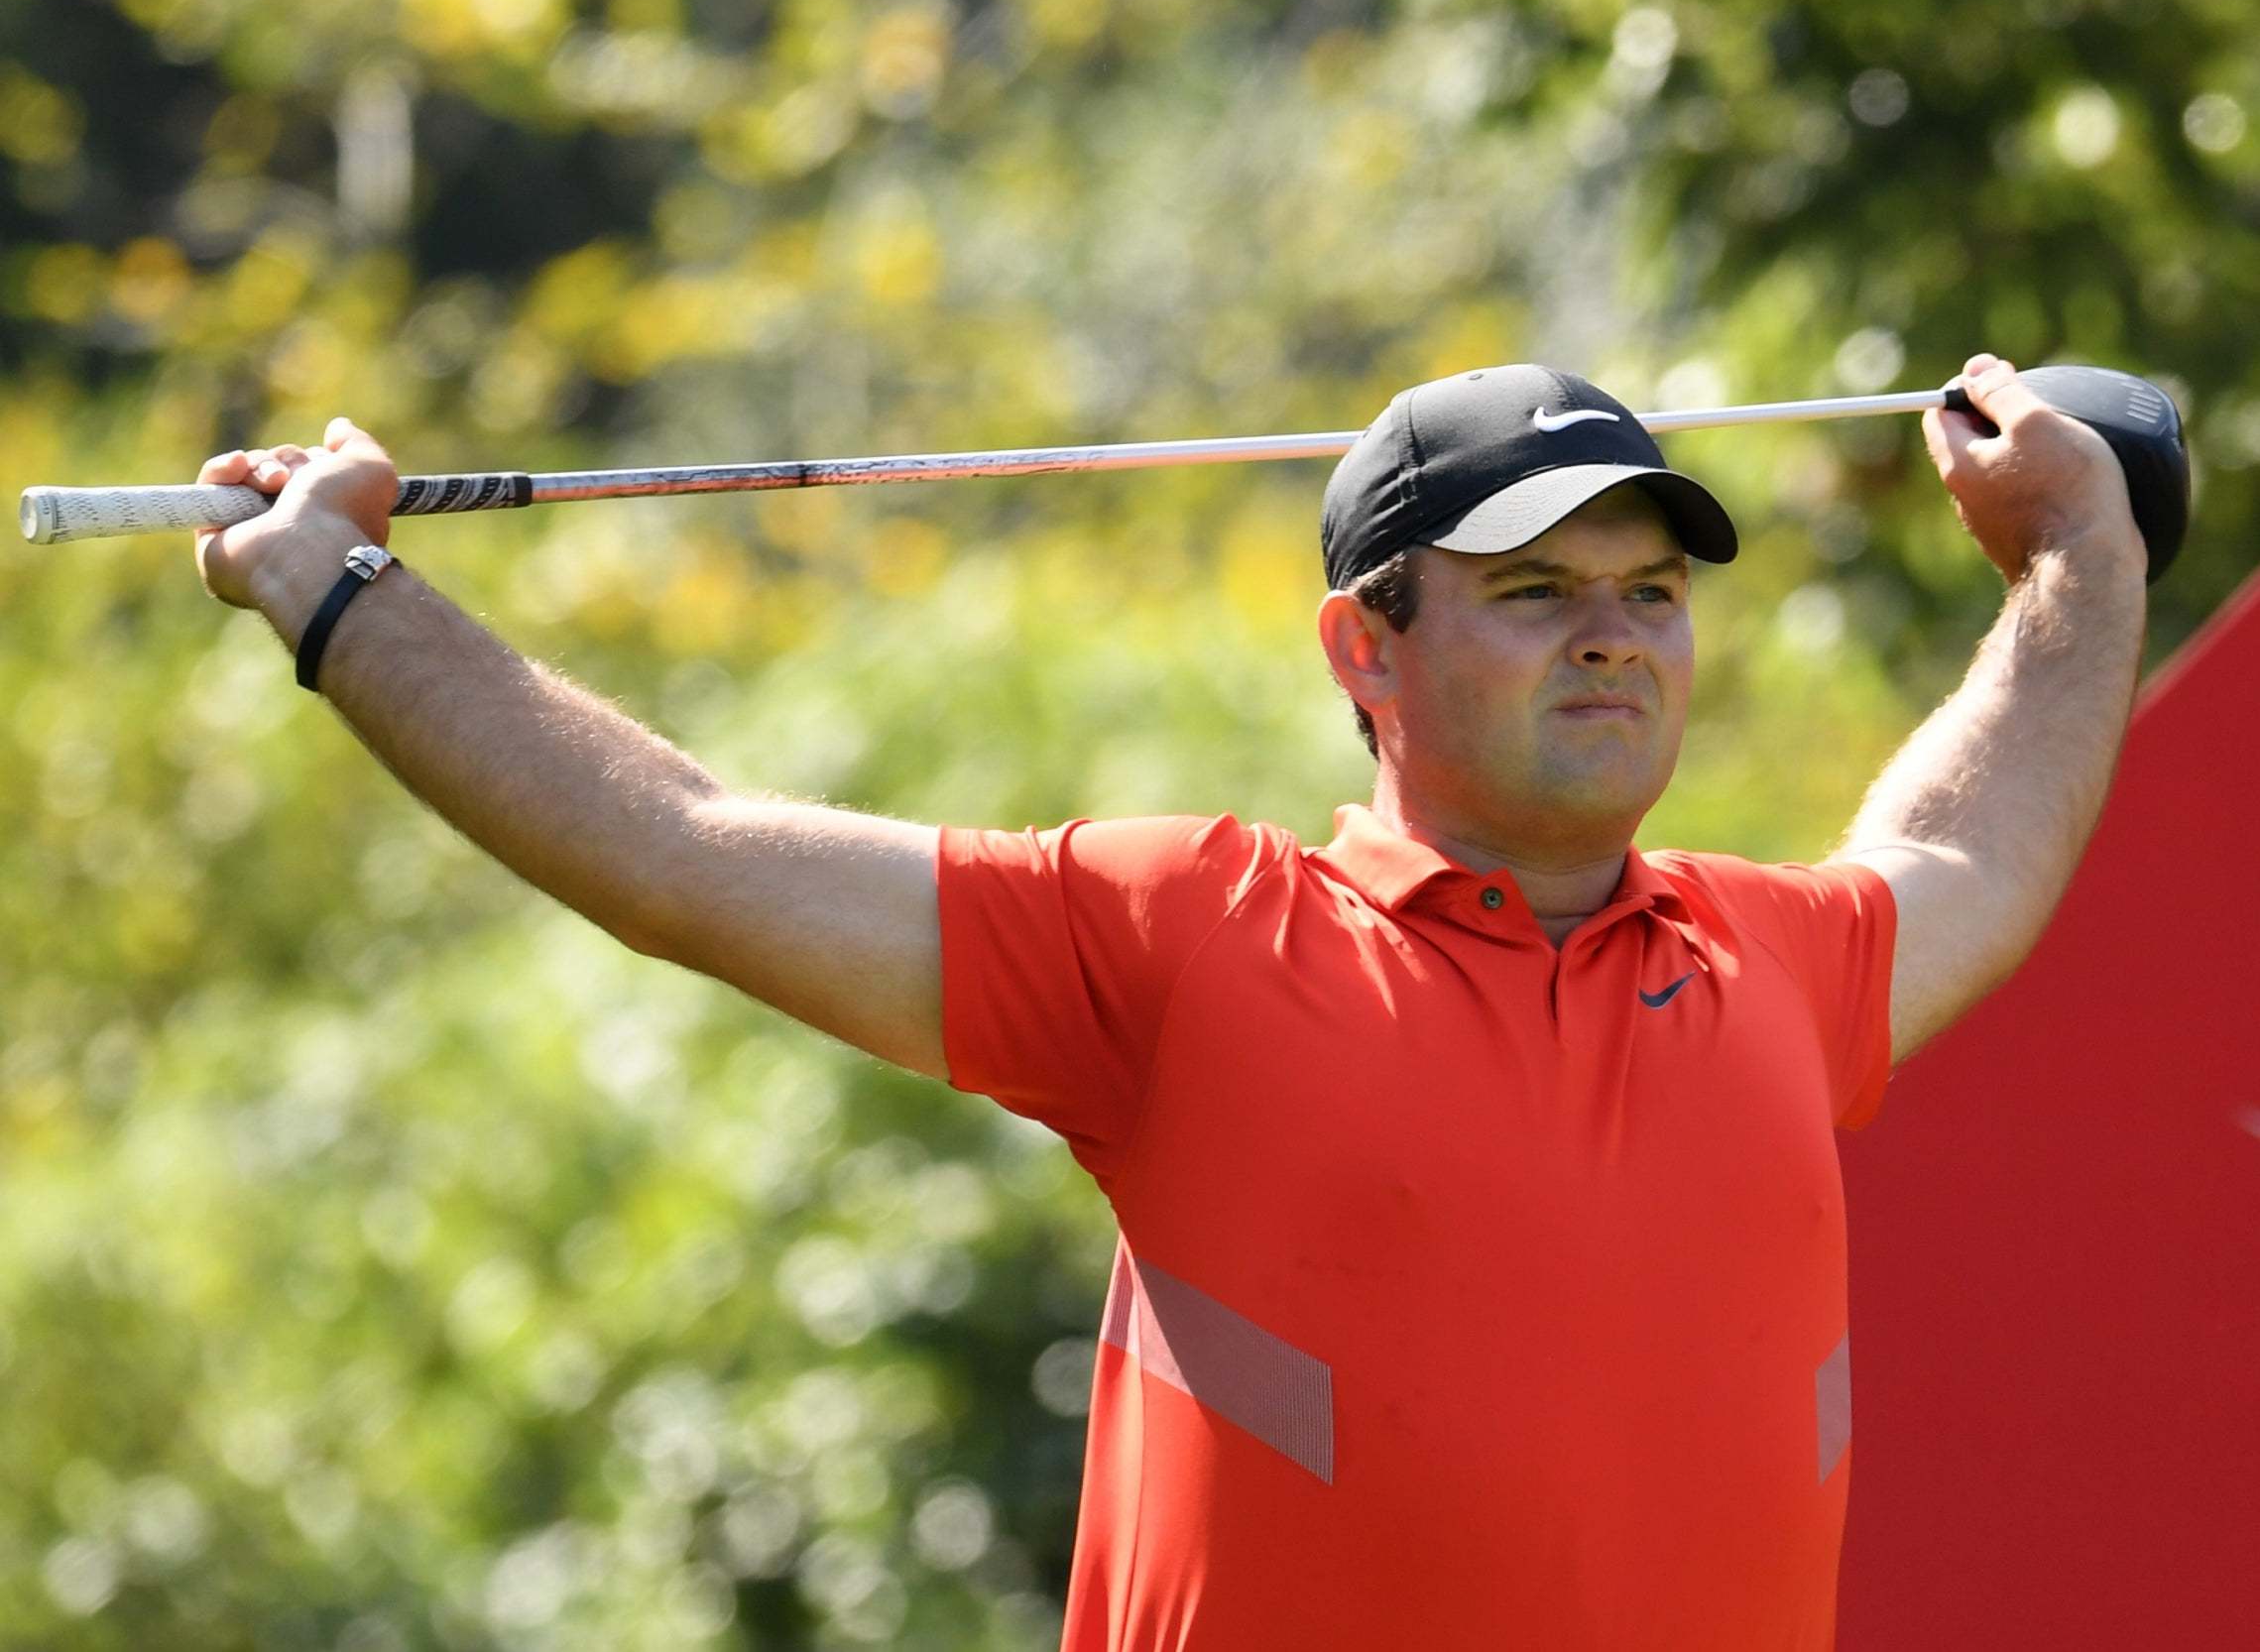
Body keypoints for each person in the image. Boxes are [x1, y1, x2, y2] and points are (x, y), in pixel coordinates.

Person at [191, 353, 2147, 1650]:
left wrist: (2078, 562)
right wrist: (346, 601)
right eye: (1536, 594)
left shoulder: (1773, 963)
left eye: (1650, 591)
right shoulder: (1184, 941)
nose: (1616, 638)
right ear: (1361, 651)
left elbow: (1969, 848)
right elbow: (690, 854)